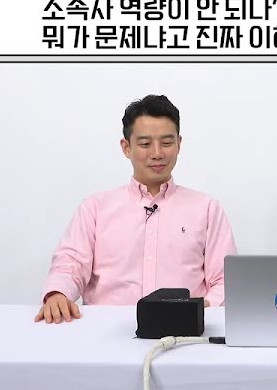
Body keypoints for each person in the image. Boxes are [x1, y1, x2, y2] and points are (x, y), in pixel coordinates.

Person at [35, 95, 238, 323]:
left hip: (185, 332)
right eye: (145, 144)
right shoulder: (95, 208)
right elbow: (70, 264)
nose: (157, 153)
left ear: (179, 144)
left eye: (167, 143)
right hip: (105, 330)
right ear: (126, 147)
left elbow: (225, 280)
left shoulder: (207, 209)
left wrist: (198, 310)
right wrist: (58, 294)